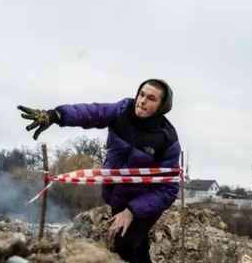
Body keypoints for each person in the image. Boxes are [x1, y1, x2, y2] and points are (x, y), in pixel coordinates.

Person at [17, 78, 181, 263]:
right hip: (118, 196)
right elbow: (92, 112)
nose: (142, 101)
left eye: (151, 98)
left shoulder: (167, 140)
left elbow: (168, 190)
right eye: (141, 94)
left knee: (124, 245)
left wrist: (131, 211)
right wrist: (56, 115)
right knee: (138, 247)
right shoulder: (122, 110)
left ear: (161, 107)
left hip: (146, 203)